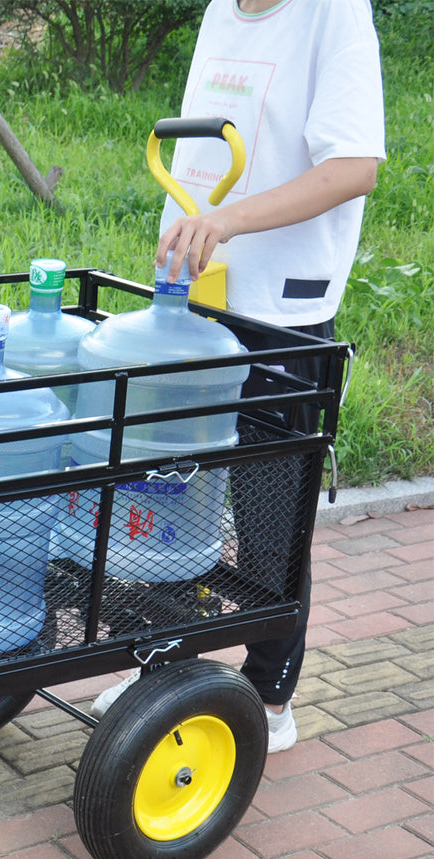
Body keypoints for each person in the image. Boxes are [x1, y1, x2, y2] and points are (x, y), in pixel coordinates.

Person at [92, 0, 386, 751]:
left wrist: (228, 222)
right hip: (193, 301)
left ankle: (266, 697)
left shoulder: (332, 13)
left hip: (277, 313)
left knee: (269, 519)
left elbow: (354, 166)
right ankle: (164, 662)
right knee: (171, 491)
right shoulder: (225, 10)